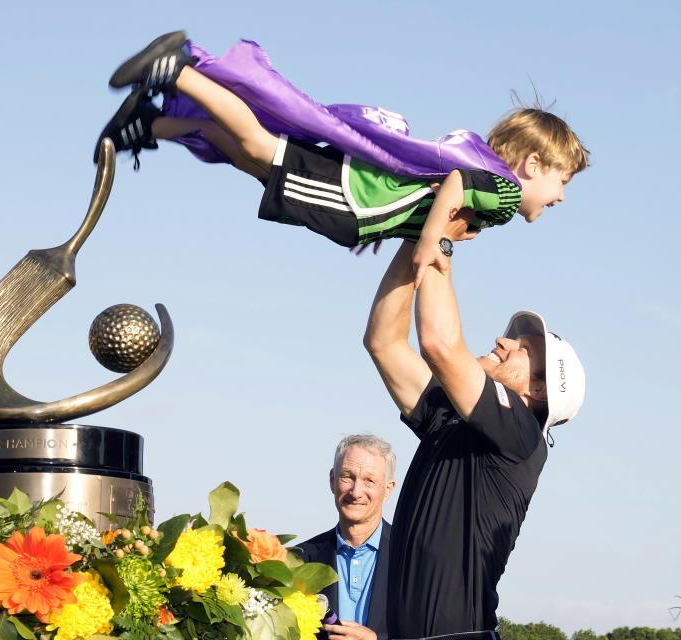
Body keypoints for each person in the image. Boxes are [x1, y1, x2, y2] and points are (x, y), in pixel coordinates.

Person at [97, 31, 588, 286]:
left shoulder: (490, 179)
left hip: (359, 197)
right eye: (562, 180)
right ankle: (178, 69)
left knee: (247, 157)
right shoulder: (501, 194)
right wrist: (428, 243)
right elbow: (456, 182)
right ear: (533, 165)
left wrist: (398, 228)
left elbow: (433, 190)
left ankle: (149, 122)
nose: (562, 195)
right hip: (349, 197)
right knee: (254, 145)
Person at [361, 236, 586, 639]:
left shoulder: (522, 434)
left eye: (521, 349)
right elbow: (383, 342)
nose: (502, 341)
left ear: (537, 393)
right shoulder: (452, 419)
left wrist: (440, 240)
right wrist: (415, 235)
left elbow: (439, 344)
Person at [298, 435, 396, 640]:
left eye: (369, 480)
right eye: (347, 477)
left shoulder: (415, 559)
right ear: (333, 480)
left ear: (388, 490)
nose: (356, 491)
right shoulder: (297, 561)